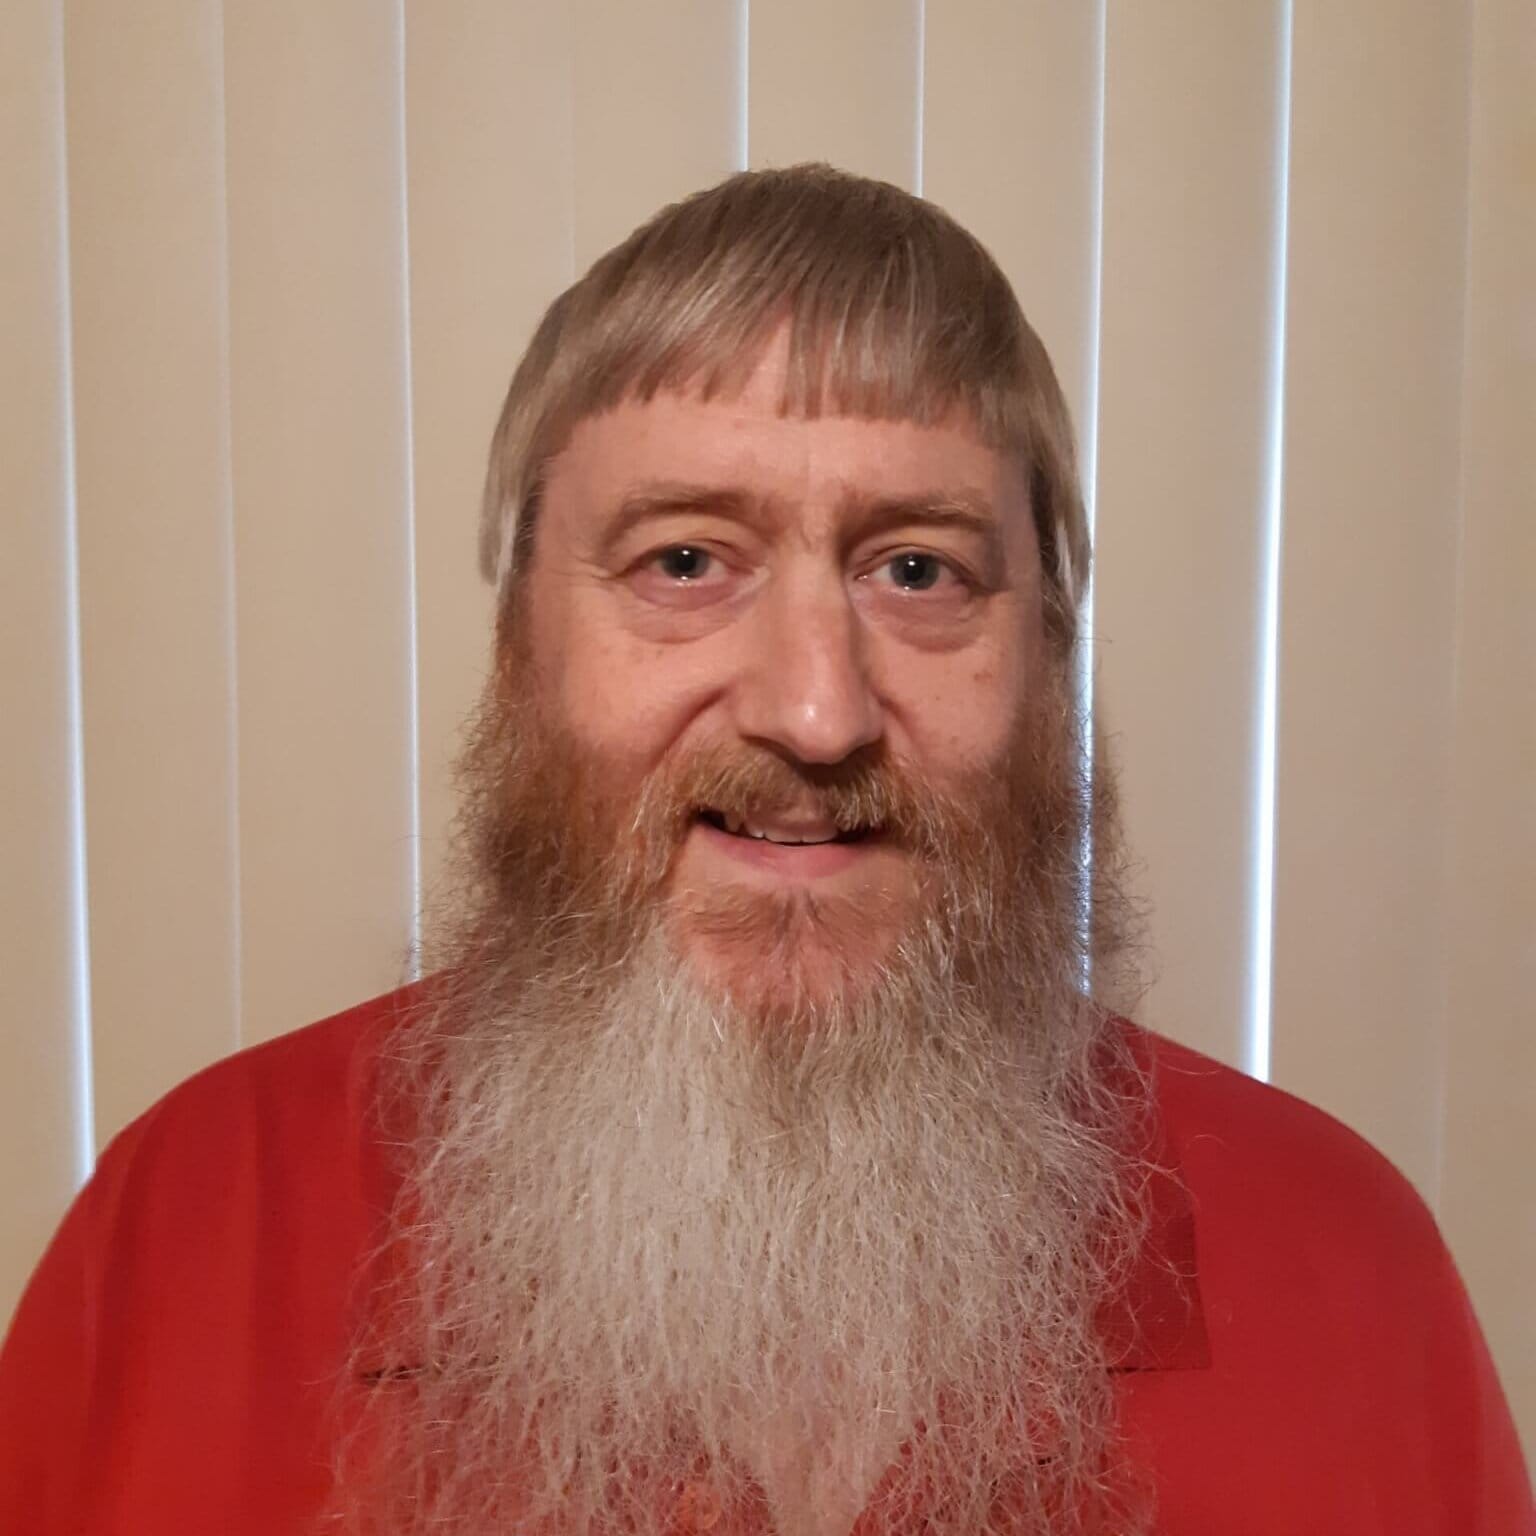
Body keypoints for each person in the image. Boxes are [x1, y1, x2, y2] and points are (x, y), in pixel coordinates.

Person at [0, 164, 1529, 1536]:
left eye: (918, 570)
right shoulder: (177, 1237)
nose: (815, 711)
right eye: (684, 560)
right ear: (522, 655)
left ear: (1048, 666)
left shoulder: (1351, 1274)